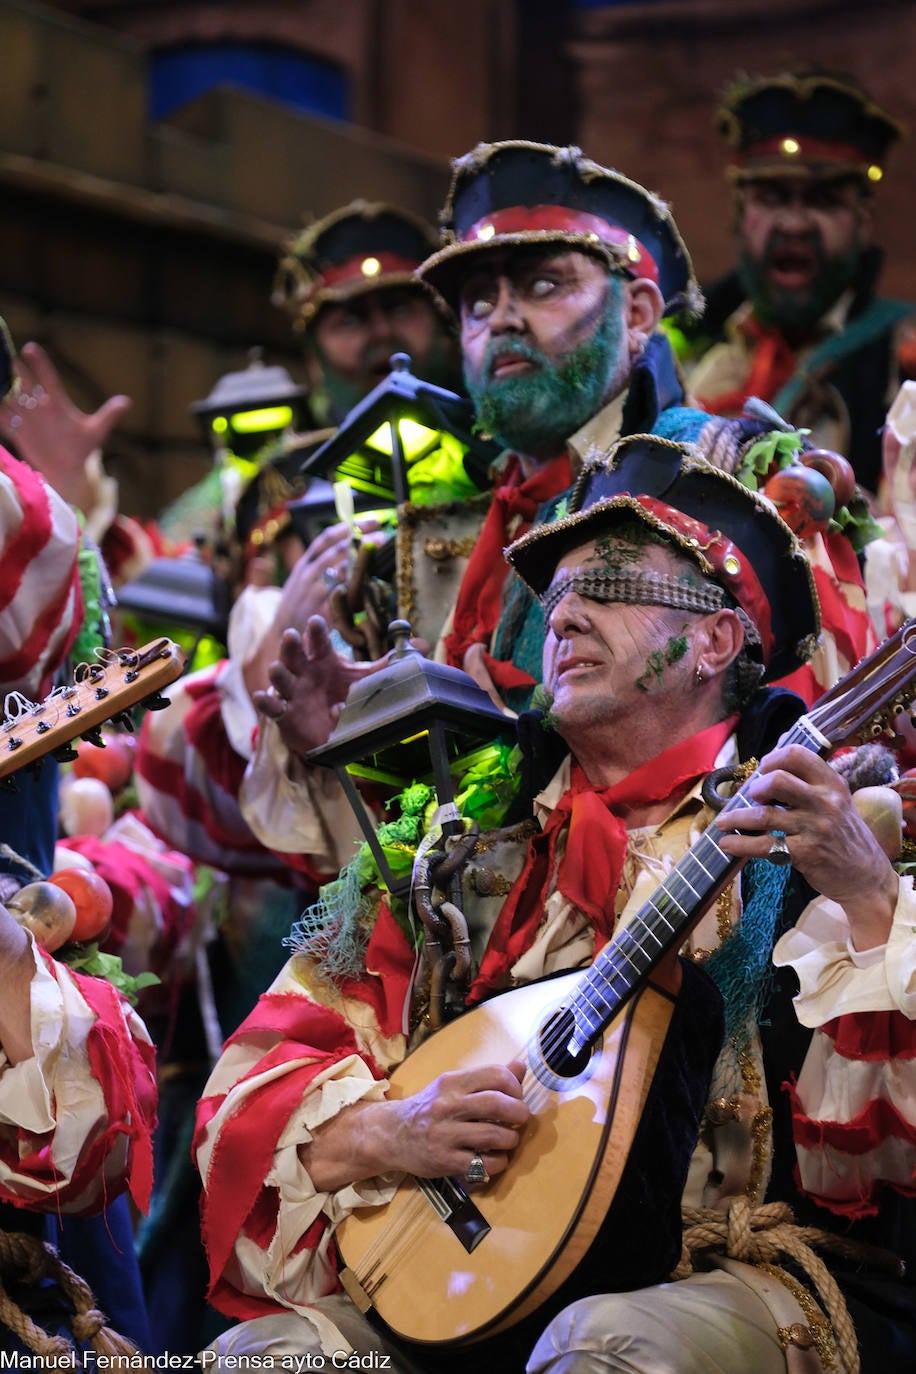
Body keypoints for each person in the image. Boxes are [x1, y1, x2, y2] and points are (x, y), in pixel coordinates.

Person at [194, 433, 915, 1372]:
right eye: (557, 596)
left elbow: (882, 1168)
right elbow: (252, 1078)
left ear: (715, 639)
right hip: (486, 1275)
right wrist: (388, 1127)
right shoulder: (454, 848)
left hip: (729, 1277)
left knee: (604, 1348)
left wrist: (865, 897)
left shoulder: (833, 824)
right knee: (266, 1358)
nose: (564, 616)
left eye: (609, 590)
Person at [677, 69, 914, 497]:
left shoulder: (903, 361)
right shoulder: (686, 346)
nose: (794, 223)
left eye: (823, 200)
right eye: (771, 197)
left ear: (863, 221)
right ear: (737, 213)